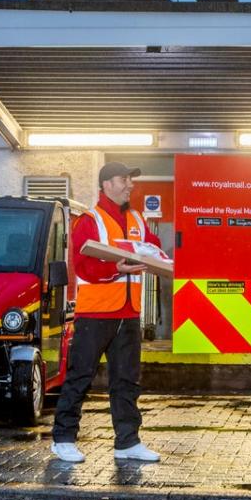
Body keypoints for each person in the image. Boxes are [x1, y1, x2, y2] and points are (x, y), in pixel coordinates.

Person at [51, 161, 161, 463]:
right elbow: (84, 266)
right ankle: (63, 438)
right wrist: (116, 268)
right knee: (80, 376)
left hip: (128, 313)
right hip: (95, 313)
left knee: (127, 380)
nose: (130, 185)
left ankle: (127, 442)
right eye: (124, 179)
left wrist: (157, 257)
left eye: (131, 180)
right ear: (106, 184)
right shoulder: (89, 220)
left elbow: (153, 248)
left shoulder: (138, 219)